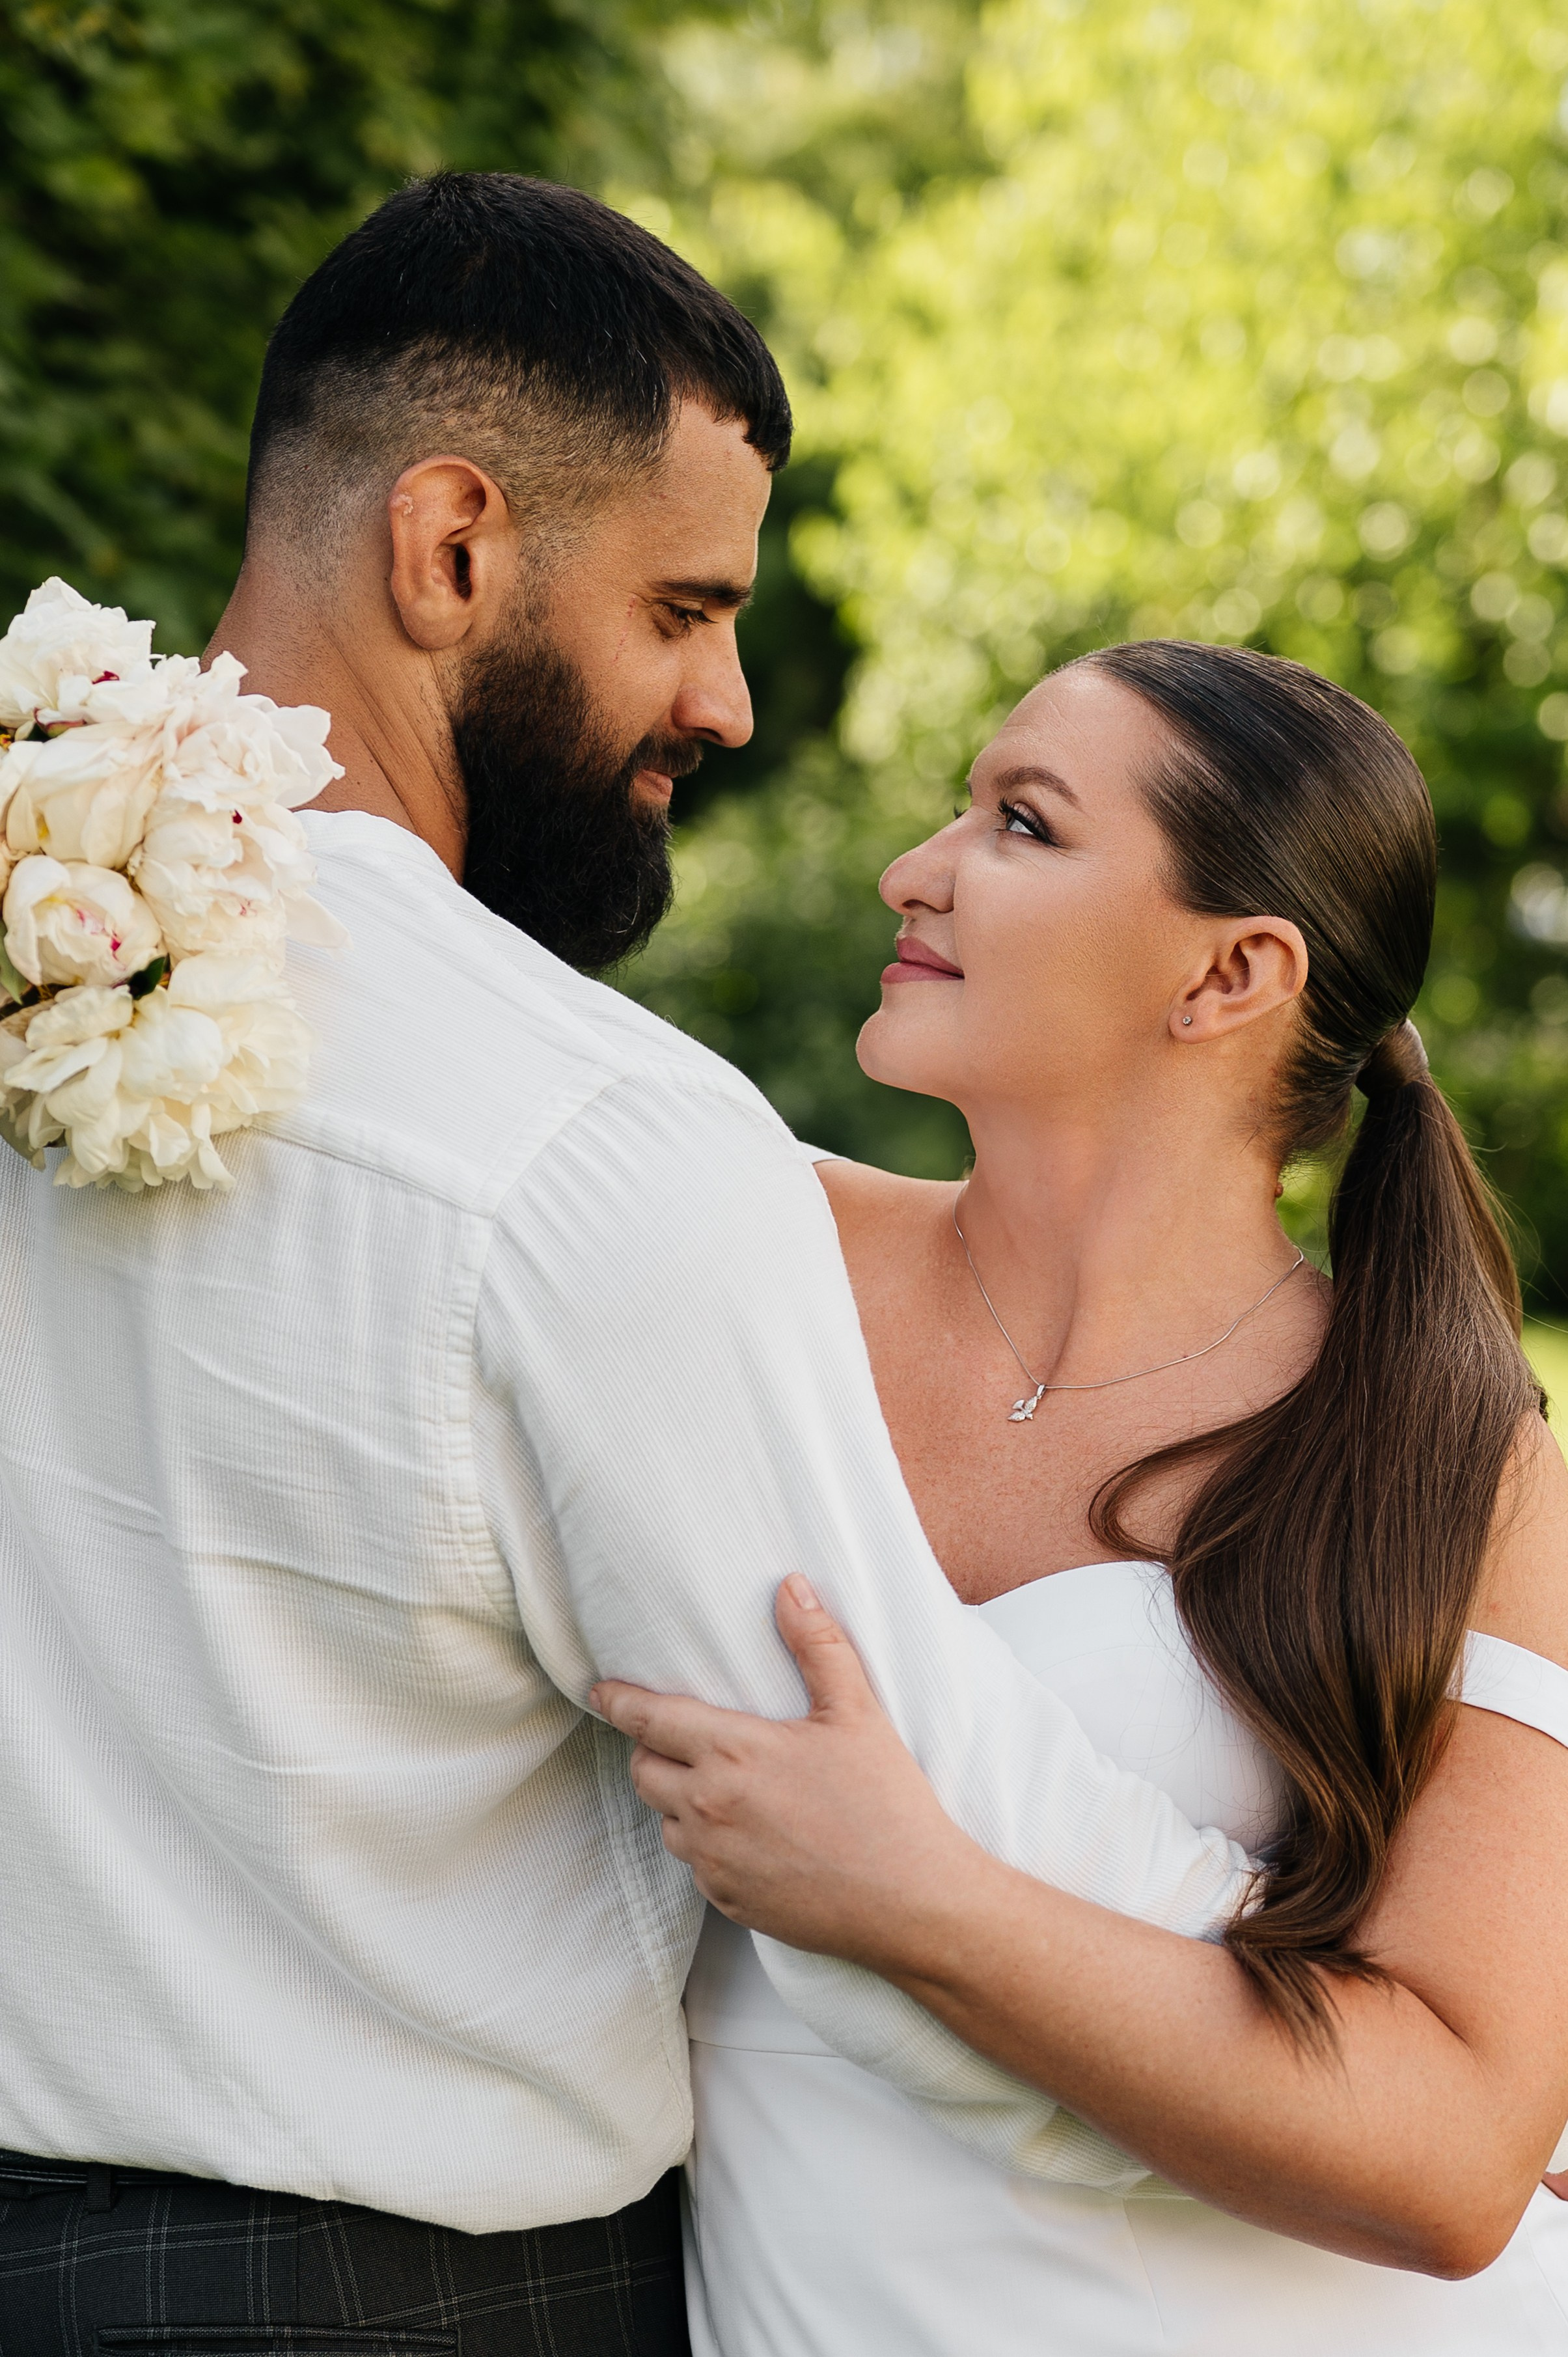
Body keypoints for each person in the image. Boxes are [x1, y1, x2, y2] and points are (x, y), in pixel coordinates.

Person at [0, 176, 1283, 2355]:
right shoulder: (594, 1137)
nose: (732, 701)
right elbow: (864, 1806)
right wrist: (1334, 2020)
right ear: (454, 546)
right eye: (685, 606)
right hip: (396, 2306)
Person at [594, 642, 1568, 2355]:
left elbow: (1453, 2159)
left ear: (1226, 975)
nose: (916, 869)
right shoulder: (740, 1249)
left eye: (1019, 826)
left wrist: (912, 1897)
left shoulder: (1439, 1446)